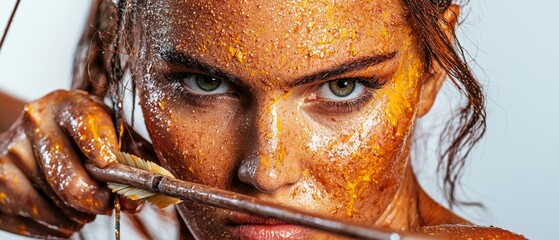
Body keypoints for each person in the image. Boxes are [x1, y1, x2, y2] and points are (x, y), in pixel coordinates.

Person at [0, 0, 525, 239]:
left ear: (432, 67)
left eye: (342, 88)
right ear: (130, 51)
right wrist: (24, 148)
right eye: (205, 84)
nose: (266, 173)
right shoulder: (141, 191)